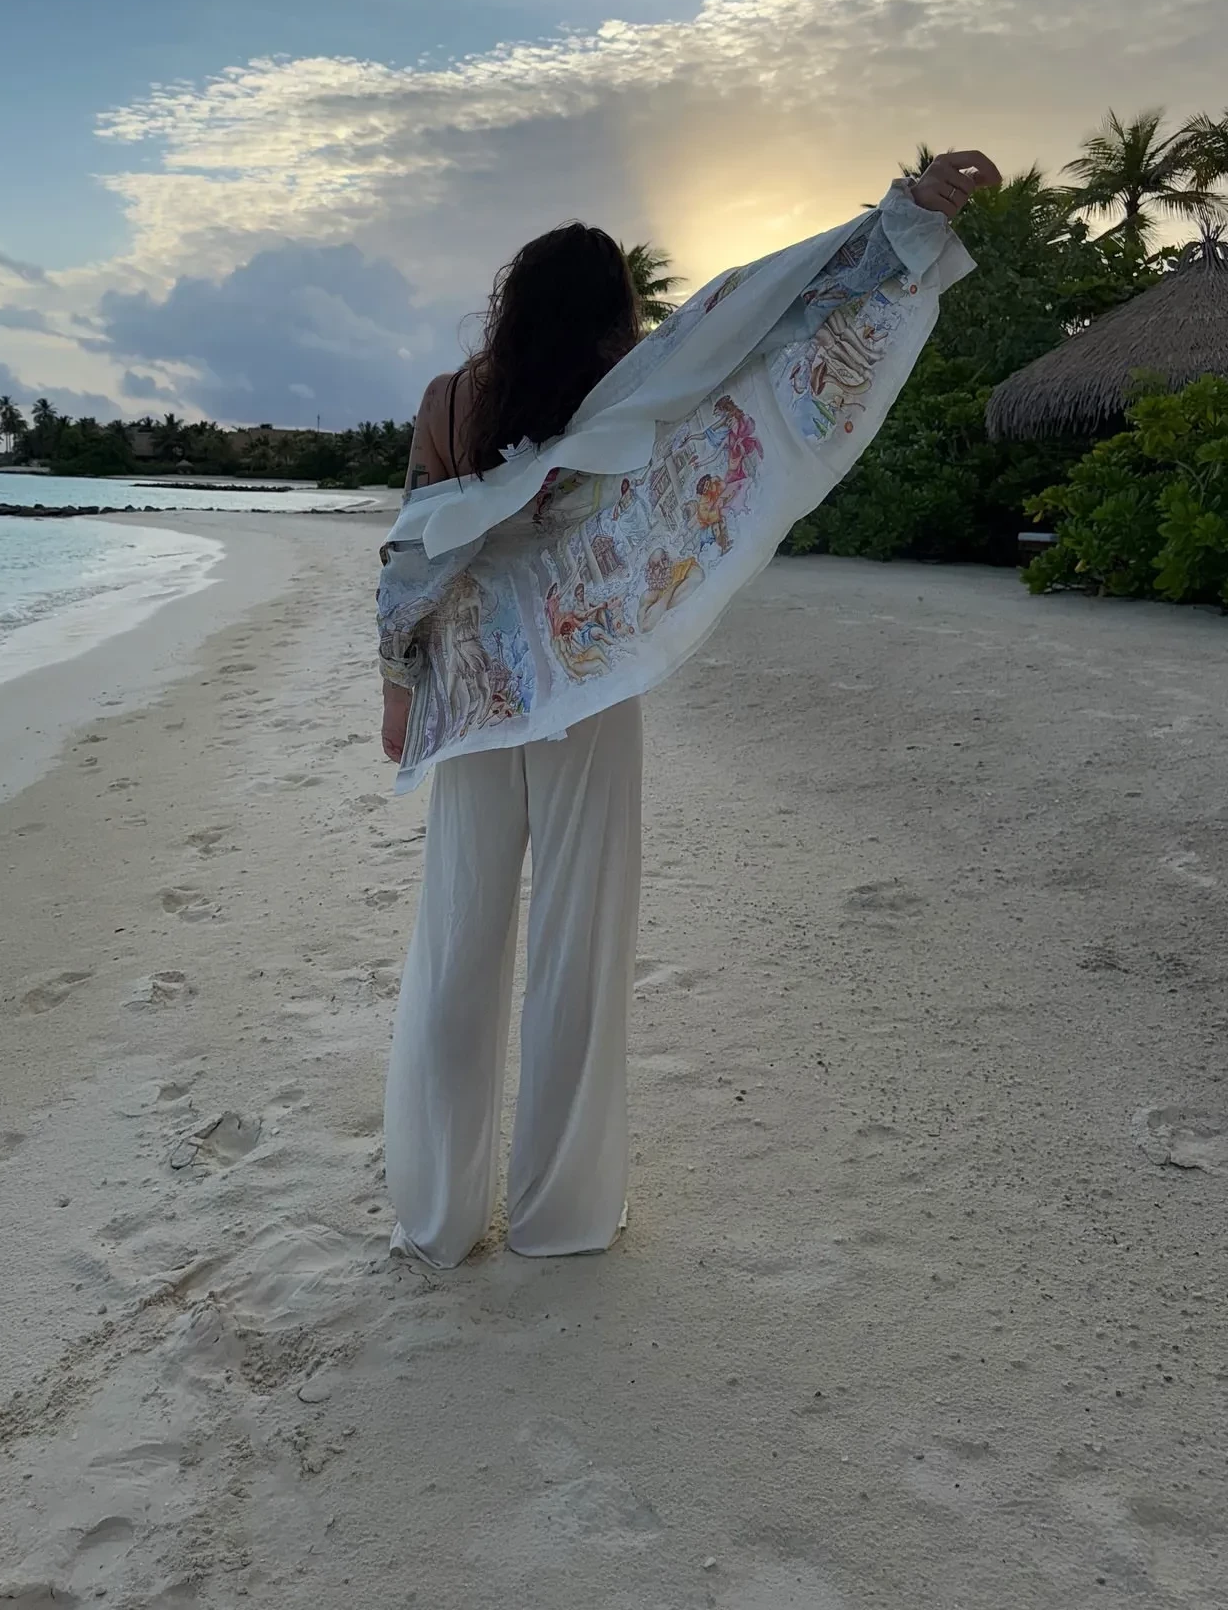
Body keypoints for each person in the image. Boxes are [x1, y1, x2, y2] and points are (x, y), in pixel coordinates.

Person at [379, 151, 999, 1269]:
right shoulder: (635, 387)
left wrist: (397, 695)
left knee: (459, 943)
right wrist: (904, 219)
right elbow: (760, 320)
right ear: (608, 312)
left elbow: (412, 561)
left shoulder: (446, 402)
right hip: (584, 687)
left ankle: (440, 1217)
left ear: (514, 303)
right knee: (579, 941)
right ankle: (561, 1217)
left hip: (473, 696)